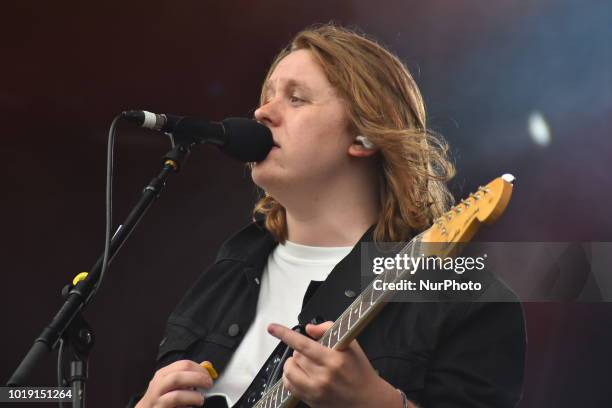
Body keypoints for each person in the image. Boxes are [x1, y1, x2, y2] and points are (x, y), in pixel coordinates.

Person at [133, 24, 525, 408]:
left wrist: (377, 404)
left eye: (296, 98)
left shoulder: (463, 301)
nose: (261, 112)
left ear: (365, 136)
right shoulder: (225, 274)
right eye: (267, 96)